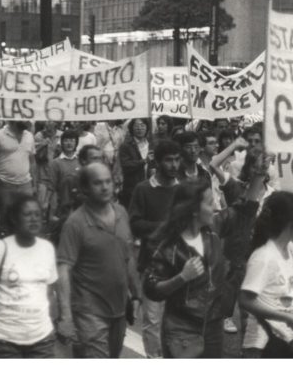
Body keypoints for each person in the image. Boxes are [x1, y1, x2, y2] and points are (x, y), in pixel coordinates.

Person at [143, 176, 265, 358]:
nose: (215, 206)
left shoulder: (213, 231)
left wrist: (259, 176)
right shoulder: (169, 246)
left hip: (213, 328)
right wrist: (182, 277)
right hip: (182, 331)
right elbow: (152, 289)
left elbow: (244, 210)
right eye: (209, 203)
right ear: (193, 210)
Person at [56, 162, 136, 358]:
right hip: (89, 313)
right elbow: (63, 270)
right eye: (98, 183)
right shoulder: (75, 223)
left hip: (118, 309)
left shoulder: (121, 213)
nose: (105, 187)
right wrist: (66, 316)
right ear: (85, 188)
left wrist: (136, 294)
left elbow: (128, 256)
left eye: (108, 181)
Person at [239, 191, 293, 358]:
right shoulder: (264, 257)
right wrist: (287, 317)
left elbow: (289, 287)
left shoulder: (291, 249)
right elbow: (245, 300)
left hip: (286, 339)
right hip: (263, 344)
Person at [0, 196, 58, 358]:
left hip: (42, 341)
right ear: (15, 219)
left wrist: (52, 323)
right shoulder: (0, 248)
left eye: (37, 214)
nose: (34, 219)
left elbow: (50, 292)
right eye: (27, 214)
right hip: (3, 341)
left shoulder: (47, 248)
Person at [127, 139, 181, 358]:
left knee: (176, 319)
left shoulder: (183, 189)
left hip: (180, 265)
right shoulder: (143, 189)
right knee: (152, 320)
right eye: (169, 160)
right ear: (157, 162)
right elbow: (135, 223)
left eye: (177, 160)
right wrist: (163, 227)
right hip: (152, 265)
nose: (174, 165)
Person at [0, 121, 36, 234]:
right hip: (4, 185)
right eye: (24, 118)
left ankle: (24, 241)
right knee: (6, 218)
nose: (28, 121)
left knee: (26, 217)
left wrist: (34, 184)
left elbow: (32, 161)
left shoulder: (29, 136)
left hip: (26, 184)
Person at [118, 118, 152, 208]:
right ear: (132, 128)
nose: (139, 128)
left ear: (147, 128)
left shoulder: (151, 144)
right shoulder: (126, 146)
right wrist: (144, 161)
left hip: (150, 185)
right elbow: (126, 165)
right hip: (133, 187)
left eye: (142, 125)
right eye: (136, 126)